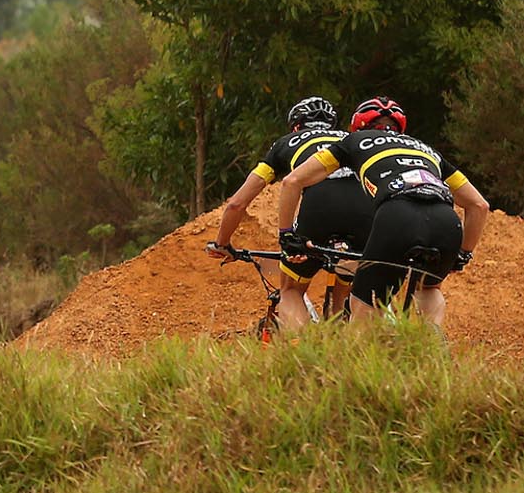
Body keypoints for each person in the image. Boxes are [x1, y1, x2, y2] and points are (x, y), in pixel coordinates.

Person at [271, 96, 489, 331]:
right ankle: (431, 346)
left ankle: (357, 361)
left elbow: (293, 180)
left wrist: (286, 235)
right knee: (429, 288)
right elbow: (479, 206)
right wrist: (463, 255)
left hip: (396, 215)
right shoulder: (428, 150)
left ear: (357, 126)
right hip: (446, 221)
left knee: (363, 303)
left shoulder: (354, 141)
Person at [206, 96, 372, 333]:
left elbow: (236, 204)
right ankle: (342, 334)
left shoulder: (286, 143)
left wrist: (222, 243)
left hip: (319, 210)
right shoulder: (351, 140)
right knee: (346, 280)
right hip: (365, 213)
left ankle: (303, 347)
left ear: (296, 126)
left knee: (291, 291)